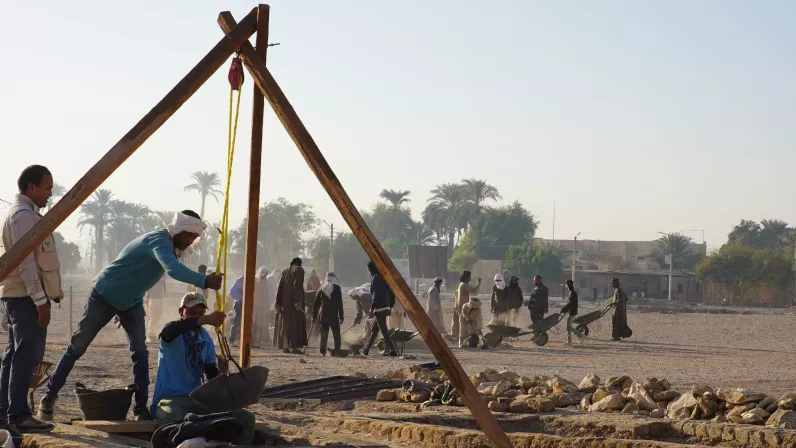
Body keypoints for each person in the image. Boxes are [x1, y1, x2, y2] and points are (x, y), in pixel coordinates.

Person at [39, 211, 224, 422]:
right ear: (179, 230)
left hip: (131, 303)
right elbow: (172, 270)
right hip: (104, 294)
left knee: (140, 353)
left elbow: (140, 274)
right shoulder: (159, 241)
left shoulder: (169, 247)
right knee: (77, 346)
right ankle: (49, 396)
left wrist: (124, 302)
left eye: (194, 237)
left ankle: (140, 409)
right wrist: (205, 280)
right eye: (189, 236)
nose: (191, 241)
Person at [0, 165, 60, 434]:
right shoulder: (24, 216)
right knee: (25, 357)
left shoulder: (26, 214)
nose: (50, 193)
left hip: (20, 296)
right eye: (47, 187)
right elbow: (26, 262)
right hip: (25, 297)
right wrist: (40, 300)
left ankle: (6, 412)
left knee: (14, 356)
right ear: (31, 187)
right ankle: (19, 415)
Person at [150, 292, 255, 446]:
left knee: (246, 418)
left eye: (201, 313)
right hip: (171, 400)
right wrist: (204, 319)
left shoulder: (205, 338)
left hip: (197, 400)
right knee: (174, 419)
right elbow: (169, 333)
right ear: (181, 312)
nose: (196, 317)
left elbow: (210, 375)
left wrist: (220, 372)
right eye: (191, 313)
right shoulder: (172, 332)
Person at [361, 261, 398, 357]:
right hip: (384, 306)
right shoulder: (382, 277)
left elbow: (376, 295)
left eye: (368, 269)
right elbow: (390, 293)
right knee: (375, 329)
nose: (368, 271)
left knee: (384, 330)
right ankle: (366, 350)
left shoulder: (376, 278)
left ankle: (393, 350)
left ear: (371, 269)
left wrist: (372, 308)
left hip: (380, 308)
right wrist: (389, 306)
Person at [275, 258, 307, 354]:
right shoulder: (299, 270)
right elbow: (297, 285)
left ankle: (285, 346)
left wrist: (278, 303)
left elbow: (280, 287)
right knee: (295, 325)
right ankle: (294, 348)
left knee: (286, 325)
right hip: (294, 303)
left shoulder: (285, 271)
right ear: (299, 264)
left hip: (285, 304)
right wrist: (297, 301)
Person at [312, 272, 344, 356]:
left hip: (323, 314)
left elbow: (315, 303)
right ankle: (337, 352)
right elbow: (340, 303)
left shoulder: (321, 288)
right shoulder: (337, 288)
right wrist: (341, 316)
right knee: (336, 334)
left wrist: (314, 316)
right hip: (333, 314)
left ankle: (323, 352)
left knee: (324, 334)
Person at [450, 271, 481, 339]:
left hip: (457, 305)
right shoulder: (464, 285)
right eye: (469, 276)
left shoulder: (461, 284)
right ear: (467, 278)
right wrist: (479, 283)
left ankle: (455, 336)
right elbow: (473, 291)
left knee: (457, 323)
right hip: (462, 307)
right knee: (463, 324)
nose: (470, 277)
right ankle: (462, 339)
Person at [145, 274, 167, 343]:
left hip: (161, 297)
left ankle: (153, 333)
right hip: (153, 298)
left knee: (158, 315)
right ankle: (150, 334)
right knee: (154, 315)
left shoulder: (163, 274)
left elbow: (164, 285)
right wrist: (147, 297)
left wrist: (164, 295)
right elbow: (148, 285)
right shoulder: (153, 274)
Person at [253, 266, 270, 346]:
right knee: (257, 321)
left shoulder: (266, 280)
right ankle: (256, 338)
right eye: (265, 274)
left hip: (264, 303)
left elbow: (266, 292)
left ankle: (264, 337)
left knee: (264, 321)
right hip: (257, 303)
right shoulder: (256, 281)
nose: (266, 275)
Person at [227, 275, 244, 344]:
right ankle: (231, 340)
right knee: (237, 322)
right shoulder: (241, 280)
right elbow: (232, 291)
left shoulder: (253, 279)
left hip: (248, 304)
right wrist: (240, 299)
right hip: (239, 304)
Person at [561, 279, 579, 345]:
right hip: (571, 311)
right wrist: (565, 309)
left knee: (568, 326)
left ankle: (570, 340)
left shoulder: (572, 293)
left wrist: (563, 309)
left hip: (572, 311)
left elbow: (570, 304)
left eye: (566, 285)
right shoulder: (572, 292)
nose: (565, 286)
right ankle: (578, 336)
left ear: (567, 285)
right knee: (569, 326)